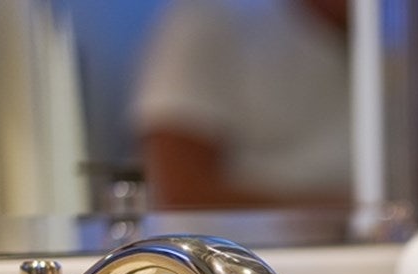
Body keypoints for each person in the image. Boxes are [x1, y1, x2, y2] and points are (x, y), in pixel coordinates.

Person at [131, 0, 352, 209]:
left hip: (368, 241)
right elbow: (179, 192)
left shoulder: (379, 29)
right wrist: (342, 209)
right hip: (251, 244)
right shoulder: (213, 16)